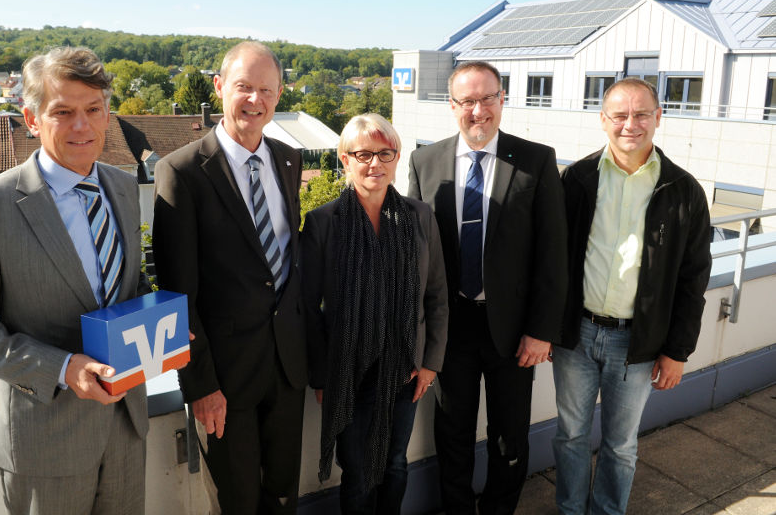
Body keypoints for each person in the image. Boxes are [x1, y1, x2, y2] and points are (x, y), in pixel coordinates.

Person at [0, 46, 150, 514]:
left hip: (127, 429)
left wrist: (161, 327)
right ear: (31, 119)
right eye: (63, 112)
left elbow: (130, 289)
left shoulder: (124, 188)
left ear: (108, 114)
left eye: (93, 110)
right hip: (45, 445)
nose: (82, 126)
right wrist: (62, 367)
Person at [153, 41, 307, 514]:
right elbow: (177, 294)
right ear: (220, 88)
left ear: (279, 95)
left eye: (266, 90)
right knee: (236, 503)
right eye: (244, 87)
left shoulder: (287, 158)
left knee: (282, 496)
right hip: (223, 379)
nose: (255, 101)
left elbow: (286, 262)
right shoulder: (181, 172)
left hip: (286, 368)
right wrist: (199, 385)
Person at [408, 60, 568, 514]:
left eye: (487, 99)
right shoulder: (425, 161)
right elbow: (415, 254)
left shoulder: (536, 160)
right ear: (452, 105)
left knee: (509, 436)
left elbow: (552, 253)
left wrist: (542, 330)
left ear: (502, 100)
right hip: (450, 327)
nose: (478, 111)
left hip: (514, 331)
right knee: (452, 433)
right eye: (468, 101)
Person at [552, 77, 712, 515]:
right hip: (577, 335)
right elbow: (552, 259)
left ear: (659, 118)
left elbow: (693, 278)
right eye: (620, 115)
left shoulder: (683, 191)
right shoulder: (577, 179)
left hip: (637, 343)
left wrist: (677, 351)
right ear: (603, 120)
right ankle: (570, 510)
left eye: (641, 114)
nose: (630, 124)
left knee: (620, 444)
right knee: (570, 435)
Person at [302, 114, 448, 514]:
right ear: (344, 160)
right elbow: (308, 309)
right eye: (364, 154)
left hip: (405, 368)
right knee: (357, 472)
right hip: (346, 372)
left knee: (395, 464)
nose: (375, 164)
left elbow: (436, 295)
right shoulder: (322, 223)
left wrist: (430, 362)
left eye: (385, 153)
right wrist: (320, 375)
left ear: (397, 158)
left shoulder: (419, 218)